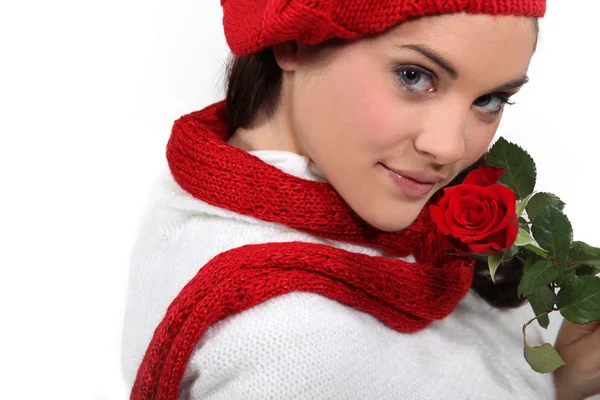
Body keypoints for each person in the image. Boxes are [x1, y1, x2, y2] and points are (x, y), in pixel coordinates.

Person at [121, 1, 600, 399]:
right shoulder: (296, 346)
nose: (451, 147)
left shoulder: (203, 192)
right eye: (414, 76)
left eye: (490, 99)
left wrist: (562, 382)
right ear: (295, 40)